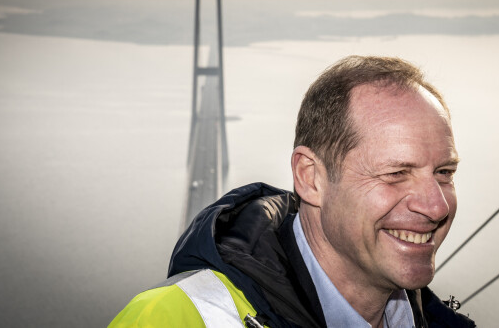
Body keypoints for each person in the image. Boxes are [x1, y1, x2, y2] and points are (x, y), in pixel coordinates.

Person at [109, 55, 476, 327]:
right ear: (311, 177)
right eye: (396, 173)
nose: (436, 205)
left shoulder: (435, 320)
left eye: (444, 172)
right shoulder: (174, 318)